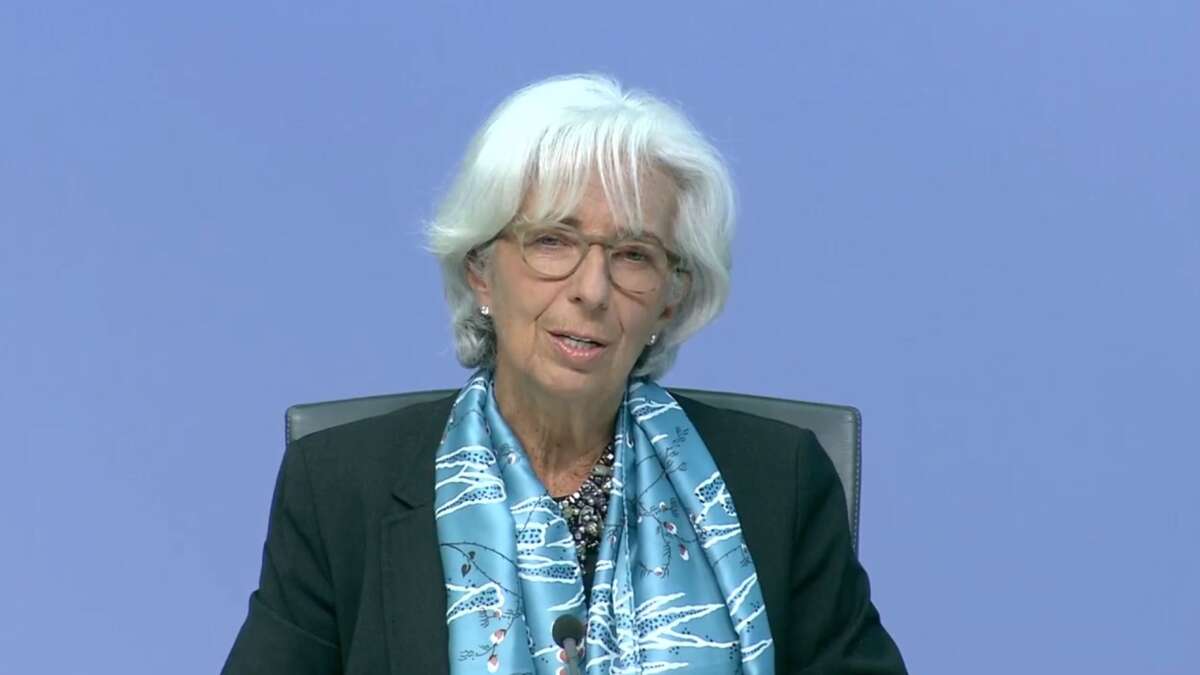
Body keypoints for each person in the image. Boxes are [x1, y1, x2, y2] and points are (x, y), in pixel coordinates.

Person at [223, 74, 907, 674]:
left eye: (634, 254)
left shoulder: (780, 482)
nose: (592, 289)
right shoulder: (340, 486)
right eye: (552, 240)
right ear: (480, 269)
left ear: (670, 299)